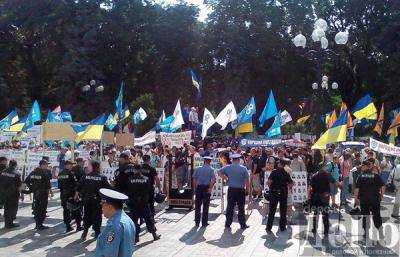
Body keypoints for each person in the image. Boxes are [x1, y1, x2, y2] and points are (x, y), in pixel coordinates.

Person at [123, 165, 160, 243]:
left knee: (134, 221)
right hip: (144, 203)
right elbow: (149, 191)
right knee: (149, 220)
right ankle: (154, 235)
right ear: (140, 170)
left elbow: (127, 191)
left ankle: (136, 238)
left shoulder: (129, 179)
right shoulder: (146, 179)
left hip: (133, 203)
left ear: (134, 170)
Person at [95, 188, 135, 257]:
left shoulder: (114, 225)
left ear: (109, 206)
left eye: (103, 205)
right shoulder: (128, 220)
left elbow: (110, 253)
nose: (101, 208)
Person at [79, 161, 111, 240]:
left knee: (87, 215)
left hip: (87, 200)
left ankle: (85, 231)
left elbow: (79, 187)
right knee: (97, 216)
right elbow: (108, 189)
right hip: (97, 200)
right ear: (98, 167)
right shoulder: (102, 177)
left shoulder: (85, 176)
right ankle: (97, 232)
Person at [354, 160, 385, 240]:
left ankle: (366, 233)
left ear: (366, 166)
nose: (361, 167)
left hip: (364, 200)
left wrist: (356, 199)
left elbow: (357, 189)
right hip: (375, 199)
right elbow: (383, 186)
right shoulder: (376, 175)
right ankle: (380, 233)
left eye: (362, 166)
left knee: (365, 216)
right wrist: (382, 195)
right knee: (377, 215)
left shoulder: (360, 176)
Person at [219, 153, 250, 230]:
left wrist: (225, 178)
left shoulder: (228, 167)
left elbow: (219, 172)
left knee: (230, 207)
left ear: (232, 160)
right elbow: (247, 181)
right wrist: (247, 190)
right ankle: (242, 224)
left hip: (231, 189)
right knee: (241, 208)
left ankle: (228, 224)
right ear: (239, 160)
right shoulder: (243, 168)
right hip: (240, 190)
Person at [309, 163, 338, 237]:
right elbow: (334, 182)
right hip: (324, 198)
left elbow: (310, 187)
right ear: (323, 167)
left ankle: (315, 228)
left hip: (316, 197)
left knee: (316, 214)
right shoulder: (327, 174)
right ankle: (326, 231)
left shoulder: (314, 175)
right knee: (325, 214)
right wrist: (340, 185)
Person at [265, 158, 293, 233]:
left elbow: (269, 182)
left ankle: (268, 228)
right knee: (283, 211)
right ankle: (282, 227)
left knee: (272, 211)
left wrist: (271, 187)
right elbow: (291, 183)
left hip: (274, 193)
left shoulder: (274, 172)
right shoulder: (286, 173)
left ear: (280, 164)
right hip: (283, 193)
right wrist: (286, 186)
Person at [25, 159, 52, 230]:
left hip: (36, 193)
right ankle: (40, 225)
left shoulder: (33, 172)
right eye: (46, 165)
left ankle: (38, 224)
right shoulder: (44, 173)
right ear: (42, 165)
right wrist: (49, 193)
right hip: (43, 194)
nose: (47, 166)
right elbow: (48, 185)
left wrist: (32, 188)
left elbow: (27, 181)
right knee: (42, 209)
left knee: (36, 208)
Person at [58, 160, 82, 232]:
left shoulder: (60, 173)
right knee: (76, 210)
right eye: (70, 165)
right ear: (66, 165)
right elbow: (76, 185)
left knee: (66, 210)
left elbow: (59, 186)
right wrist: (76, 194)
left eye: (72, 165)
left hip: (63, 194)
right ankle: (78, 226)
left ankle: (68, 226)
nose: (72, 166)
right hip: (71, 194)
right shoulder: (71, 173)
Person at [193, 156, 216, 227]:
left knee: (197, 206)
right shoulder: (211, 169)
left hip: (199, 188)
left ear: (204, 161)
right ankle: (204, 222)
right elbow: (214, 180)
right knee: (205, 206)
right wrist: (210, 188)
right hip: (206, 188)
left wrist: (195, 187)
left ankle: (197, 222)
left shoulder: (198, 168)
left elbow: (194, 178)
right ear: (209, 161)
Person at [0, 160, 21, 228]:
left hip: (4, 193)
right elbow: (19, 186)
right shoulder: (17, 173)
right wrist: (21, 194)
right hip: (13, 194)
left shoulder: (3, 172)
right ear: (15, 165)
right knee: (12, 209)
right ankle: (10, 223)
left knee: (6, 208)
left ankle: (7, 223)